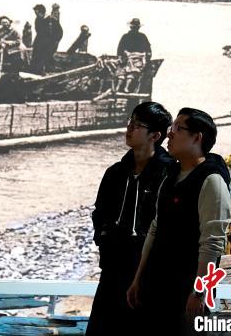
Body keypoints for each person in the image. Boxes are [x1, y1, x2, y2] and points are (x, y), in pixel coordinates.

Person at [127, 108, 231, 336]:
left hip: (187, 291)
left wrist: (199, 292)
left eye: (178, 128)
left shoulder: (212, 179)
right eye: (171, 127)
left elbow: (212, 242)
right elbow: (155, 228)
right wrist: (138, 278)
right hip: (156, 283)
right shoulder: (171, 175)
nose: (170, 133)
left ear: (197, 137)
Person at [87, 102, 174, 335]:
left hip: (149, 269)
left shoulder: (169, 173)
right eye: (130, 122)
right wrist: (103, 240)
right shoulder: (115, 172)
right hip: (113, 265)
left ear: (155, 135)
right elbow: (99, 212)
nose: (129, 128)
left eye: (137, 125)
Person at [29, 4, 62, 75]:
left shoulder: (52, 20)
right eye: (35, 13)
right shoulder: (37, 19)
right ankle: (34, 70)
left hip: (50, 42)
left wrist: (55, 41)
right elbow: (37, 30)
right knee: (35, 56)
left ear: (42, 12)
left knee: (45, 56)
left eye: (37, 13)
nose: (36, 15)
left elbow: (59, 32)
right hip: (39, 41)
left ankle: (44, 70)